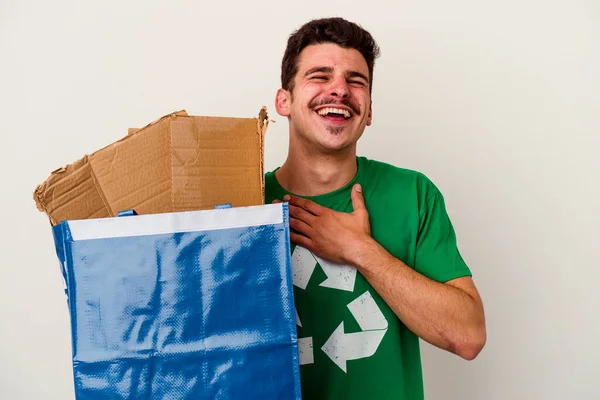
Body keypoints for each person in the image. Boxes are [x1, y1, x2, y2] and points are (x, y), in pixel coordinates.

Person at [265, 17, 486, 399]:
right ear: (283, 100)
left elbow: (467, 336)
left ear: (368, 111)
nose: (339, 90)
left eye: (356, 81)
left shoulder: (413, 194)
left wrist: (358, 249)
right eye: (320, 76)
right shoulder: (244, 203)